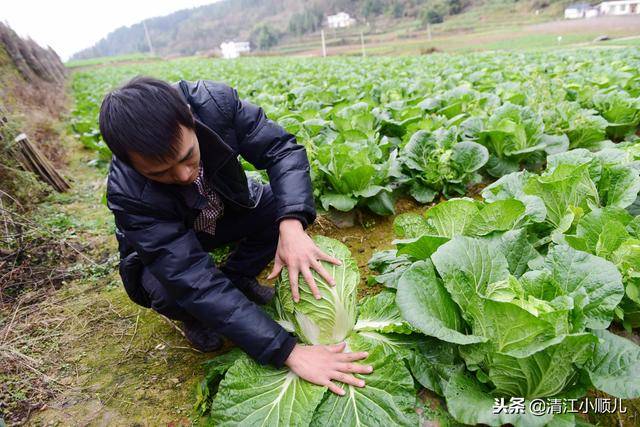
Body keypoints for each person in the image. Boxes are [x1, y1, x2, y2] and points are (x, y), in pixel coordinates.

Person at [99, 76, 372, 396]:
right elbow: (190, 277)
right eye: (160, 173)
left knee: (278, 209)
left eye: (188, 156)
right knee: (169, 291)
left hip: (222, 208)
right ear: (130, 163)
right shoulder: (128, 193)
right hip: (167, 249)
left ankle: (237, 277)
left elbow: (281, 150)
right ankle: (195, 319)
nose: (184, 175)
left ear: (190, 117)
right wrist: (288, 351)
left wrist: (292, 223)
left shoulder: (214, 104)